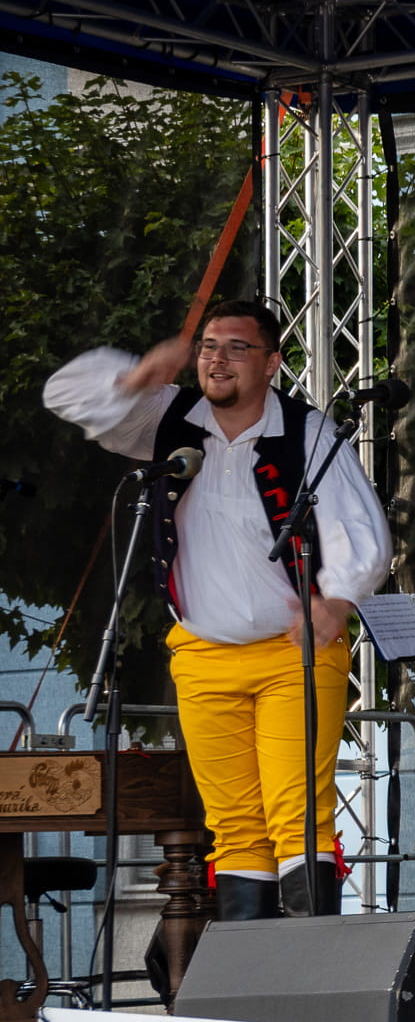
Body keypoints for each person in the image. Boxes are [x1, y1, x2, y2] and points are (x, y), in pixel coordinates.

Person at [44, 301, 391, 920]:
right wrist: (139, 374)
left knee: (298, 818)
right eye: (208, 346)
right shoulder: (166, 415)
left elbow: (360, 528)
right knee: (233, 825)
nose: (217, 358)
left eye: (236, 347)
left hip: (293, 654)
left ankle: (310, 968)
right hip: (202, 653)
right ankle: (251, 970)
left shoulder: (306, 431)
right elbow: (63, 395)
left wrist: (337, 598)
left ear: (272, 363)